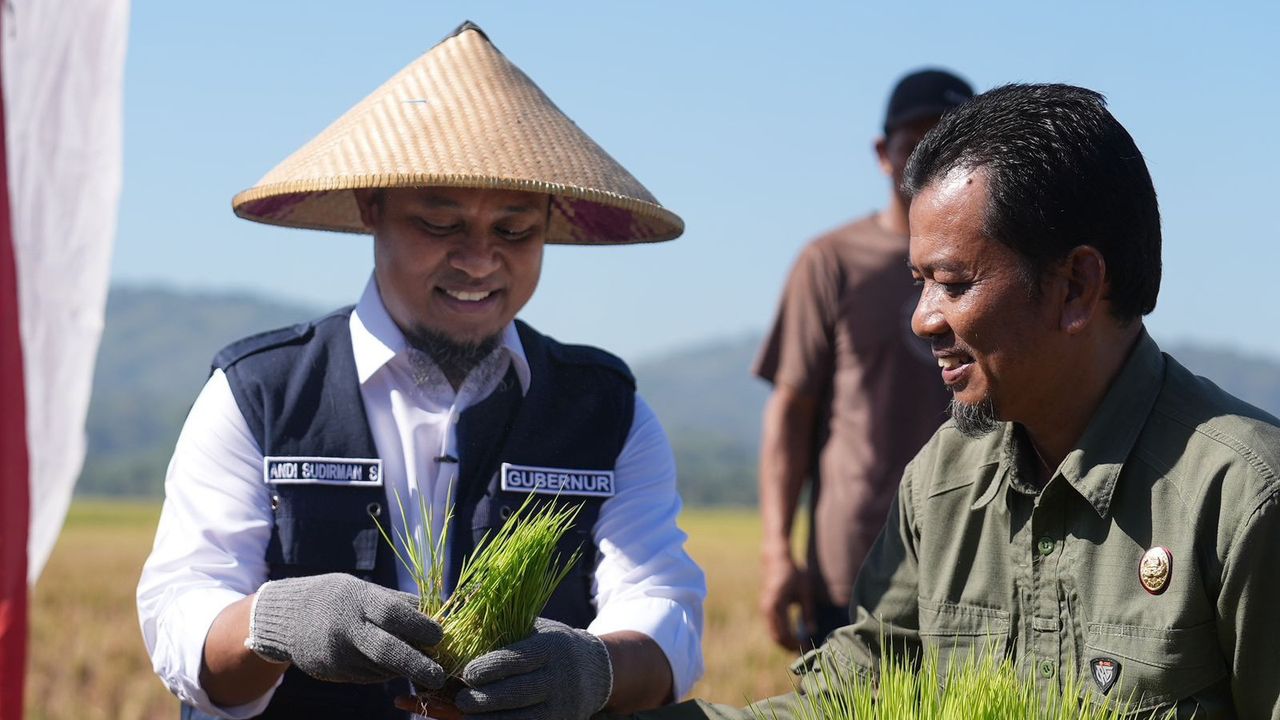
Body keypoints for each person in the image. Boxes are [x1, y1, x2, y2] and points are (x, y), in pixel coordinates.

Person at [627, 83, 1280, 719]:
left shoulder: (1243, 497)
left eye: (954, 283)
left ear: (1077, 286)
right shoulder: (942, 481)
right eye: (920, 282)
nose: (923, 319)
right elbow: (852, 697)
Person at [136, 22, 705, 720]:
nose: (478, 260)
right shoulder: (260, 395)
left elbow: (663, 612)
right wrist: (276, 622)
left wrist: (596, 669)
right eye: (440, 225)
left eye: (514, 231)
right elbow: (183, 617)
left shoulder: (605, 412)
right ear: (372, 207)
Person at [753, 69, 972, 650]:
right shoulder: (834, 262)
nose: (930, 161)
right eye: (914, 144)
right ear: (882, 153)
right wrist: (777, 553)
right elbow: (791, 414)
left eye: (950, 144)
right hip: (853, 562)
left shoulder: (1000, 270)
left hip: (975, 559)